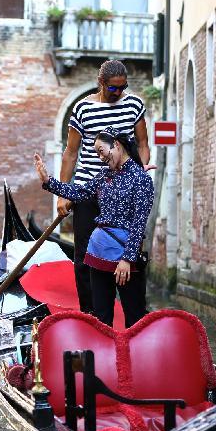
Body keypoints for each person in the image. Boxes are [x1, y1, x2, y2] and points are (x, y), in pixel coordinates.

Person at [35, 127, 154, 328]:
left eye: (101, 151)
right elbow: (80, 192)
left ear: (116, 145)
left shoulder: (141, 179)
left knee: (134, 318)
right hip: (98, 253)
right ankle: (102, 356)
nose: (100, 157)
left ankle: (132, 357)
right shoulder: (104, 175)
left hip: (126, 257)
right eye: (97, 153)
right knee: (101, 317)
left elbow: (138, 223)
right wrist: (48, 182)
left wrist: (126, 259)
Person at [60, 60, 150, 314]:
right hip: (89, 188)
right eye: (113, 89)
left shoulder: (134, 105)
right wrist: (61, 195)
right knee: (84, 257)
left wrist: (139, 176)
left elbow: (142, 144)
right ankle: (90, 313)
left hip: (124, 190)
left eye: (123, 88)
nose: (119, 93)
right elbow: (70, 153)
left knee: (129, 248)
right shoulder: (83, 109)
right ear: (101, 84)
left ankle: (133, 314)